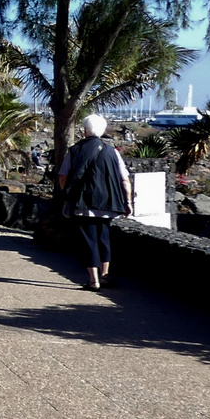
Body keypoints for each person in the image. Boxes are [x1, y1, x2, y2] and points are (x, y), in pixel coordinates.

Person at [57, 113, 133, 291]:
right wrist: (127, 202)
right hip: (109, 203)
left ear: (85, 130)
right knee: (103, 238)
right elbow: (124, 180)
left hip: (83, 202)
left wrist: (68, 194)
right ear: (102, 130)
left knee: (88, 240)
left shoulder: (75, 150)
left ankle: (93, 280)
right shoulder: (113, 152)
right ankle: (105, 276)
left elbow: (63, 177)